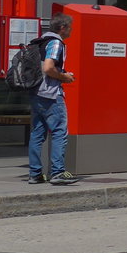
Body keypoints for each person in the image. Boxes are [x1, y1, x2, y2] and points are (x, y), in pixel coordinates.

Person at [28, 13, 77, 185]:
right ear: (62, 28)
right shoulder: (56, 42)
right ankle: (57, 172)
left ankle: (35, 174)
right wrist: (64, 77)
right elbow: (48, 67)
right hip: (50, 94)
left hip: (35, 93)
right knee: (59, 132)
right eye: (70, 27)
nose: (71, 30)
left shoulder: (39, 41)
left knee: (37, 133)